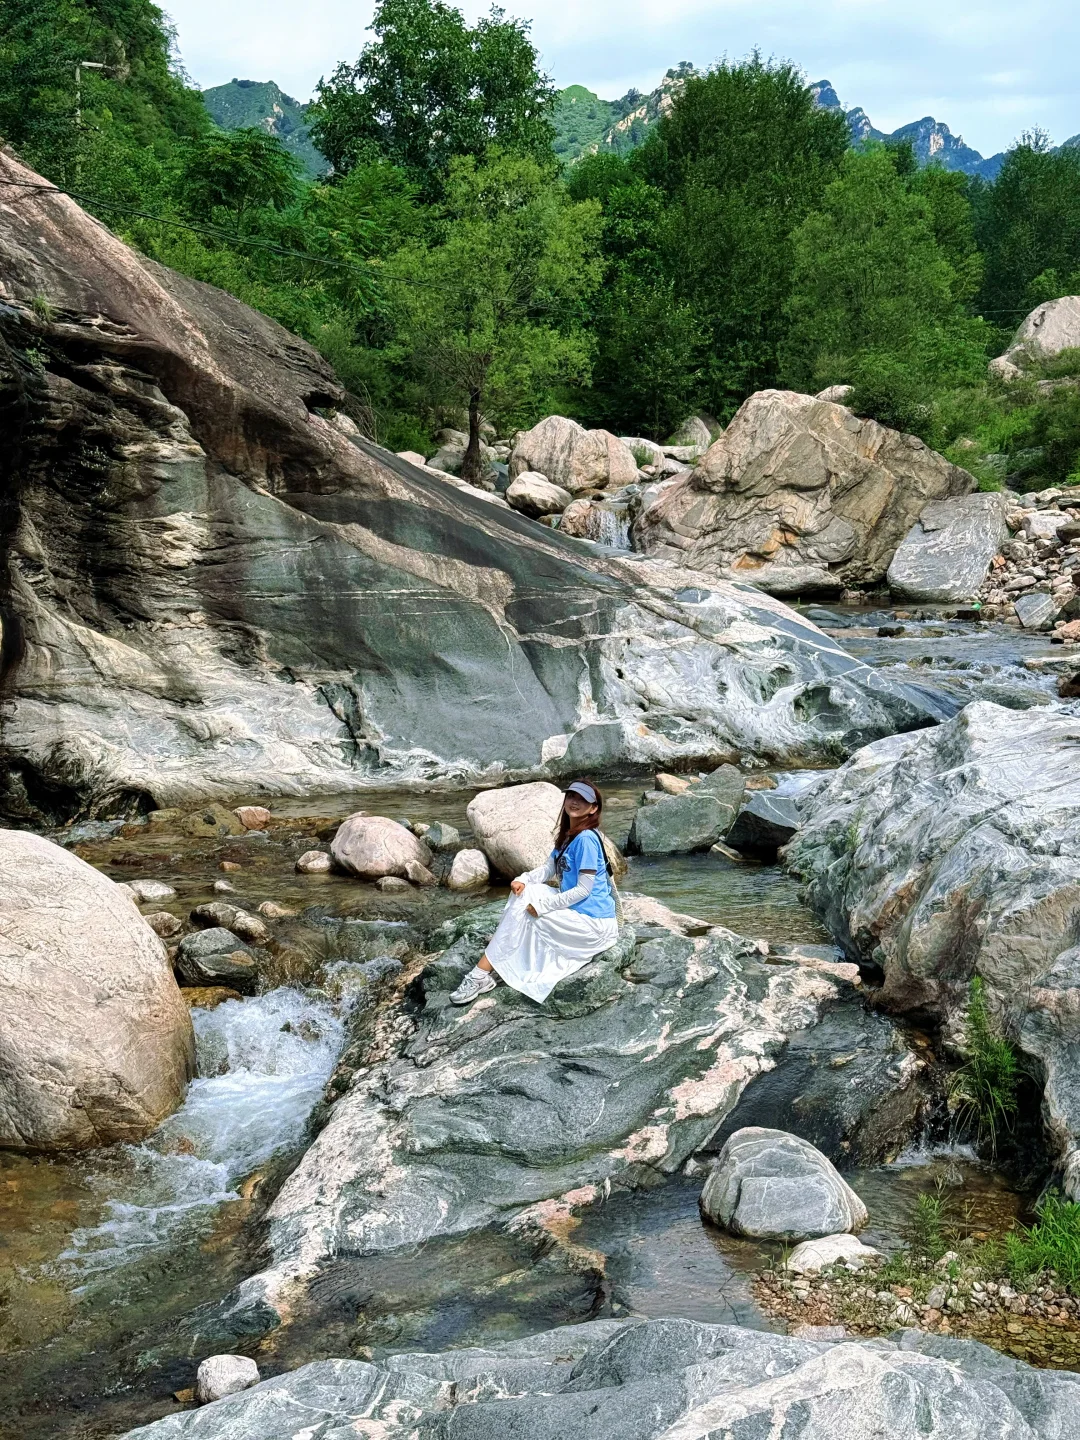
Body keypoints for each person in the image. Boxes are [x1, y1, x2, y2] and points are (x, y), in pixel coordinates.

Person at [450, 780, 620, 1005]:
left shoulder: (587, 839)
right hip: (575, 912)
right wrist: (523, 879)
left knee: (527, 908)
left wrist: (542, 907)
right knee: (526, 893)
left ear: (593, 808)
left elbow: (583, 890)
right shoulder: (570, 834)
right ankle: (492, 961)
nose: (574, 802)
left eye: (582, 800)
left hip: (593, 924)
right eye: (571, 796)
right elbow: (549, 868)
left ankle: (480, 974)